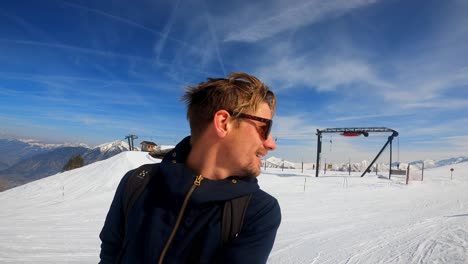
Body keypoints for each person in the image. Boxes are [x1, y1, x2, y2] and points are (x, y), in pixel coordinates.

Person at [99, 72, 281, 263]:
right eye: (264, 128)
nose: (271, 144)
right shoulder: (137, 182)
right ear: (223, 123)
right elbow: (110, 253)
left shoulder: (257, 211)